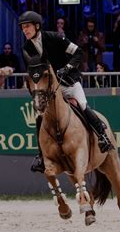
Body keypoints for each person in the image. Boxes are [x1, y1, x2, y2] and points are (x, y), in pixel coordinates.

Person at [18, 11, 114, 173]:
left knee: (82, 105)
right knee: (39, 116)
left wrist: (67, 68)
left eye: (27, 26)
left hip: (68, 82)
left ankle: (103, 137)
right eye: (22, 28)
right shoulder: (27, 48)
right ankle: (41, 155)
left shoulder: (54, 37)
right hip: (49, 88)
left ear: (37, 26)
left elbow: (78, 53)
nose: (25, 30)